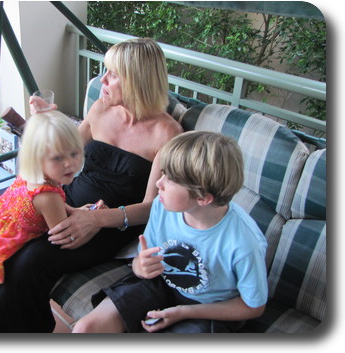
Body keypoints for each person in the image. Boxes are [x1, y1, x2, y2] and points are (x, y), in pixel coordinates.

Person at [0, 38, 183, 332]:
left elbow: (153, 207)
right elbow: (64, 152)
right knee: (8, 246)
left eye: (113, 74)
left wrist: (96, 219)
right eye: (105, 71)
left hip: (110, 226)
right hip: (65, 203)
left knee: (30, 260)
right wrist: (47, 121)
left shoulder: (166, 133)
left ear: (138, 79)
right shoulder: (101, 109)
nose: (102, 79)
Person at [72, 131, 268, 333]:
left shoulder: (244, 243)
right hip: (160, 284)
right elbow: (142, 260)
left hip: (208, 309)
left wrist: (184, 312)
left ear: (203, 198)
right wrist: (141, 266)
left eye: (171, 179)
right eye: (163, 172)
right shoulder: (162, 206)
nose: (159, 183)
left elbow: (253, 306)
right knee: (86, 329)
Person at [0, 111, 84, 330]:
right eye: (58, 158)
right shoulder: (48, 196)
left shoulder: (31, 176)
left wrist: (76, 209)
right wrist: (88, 219)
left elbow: (57, 208)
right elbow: (62, 234)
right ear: (37, 158)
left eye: (74, 154)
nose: (69, 164)